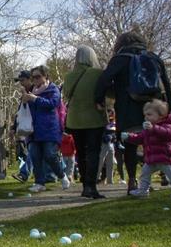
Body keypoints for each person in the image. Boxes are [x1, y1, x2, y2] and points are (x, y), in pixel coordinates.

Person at [94, 30, 171, 193]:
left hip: (127, 108)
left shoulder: (120, 59)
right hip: (153, 107)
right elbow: (166, 83)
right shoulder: (153, 58)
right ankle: (160, 175)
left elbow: (104, 79)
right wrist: (169, 106)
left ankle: (132, 180)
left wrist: (99, 99)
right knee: (155, 141)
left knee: (130, 144)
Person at [61, 45, 108, 198]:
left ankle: (84, 185)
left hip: (75, 120)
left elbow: (66, 94)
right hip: (94, 118)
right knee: (93, 152)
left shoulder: (69, 76)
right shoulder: (98, 73)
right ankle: (91, 186)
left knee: (80, 153)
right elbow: (109, 92)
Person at [22, 65, 70, 193]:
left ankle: (62, 175)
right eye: (33, 77)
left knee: (50, 155)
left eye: (38, 77)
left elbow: (52, 104)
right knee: (35, 156)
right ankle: (39, 182)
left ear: (45, 76)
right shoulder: (30, 91)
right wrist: (25, 101)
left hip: (50, 129)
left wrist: (35, 99)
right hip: (33, 130)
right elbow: (23, 111)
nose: (35, 80)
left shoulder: (53, 89)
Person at [122, 100, 171, 198]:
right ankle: (143, 190)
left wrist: (153, 128)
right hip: (151, 158)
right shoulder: (147, 129)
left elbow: (168, 134)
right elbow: (140, 138)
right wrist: (129, 137)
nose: (146, 117)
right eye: (145, 115)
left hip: (165, 158)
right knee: (144, 174)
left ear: (161, 115)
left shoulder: (168, 126)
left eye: (149, 114)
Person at [11, 70, 34, 183]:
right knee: (33, 151)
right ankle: (24, 173)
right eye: (19, 81)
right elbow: (21, 113)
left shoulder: (35, 91)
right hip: (30, 129)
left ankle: (24, 173)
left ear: (30, 79)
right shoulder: (24, 94)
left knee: (36, 151)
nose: (21, 83)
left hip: (38, 127)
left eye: (23, 80)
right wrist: (13, 127)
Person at [97, 111, 118, 186]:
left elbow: (114, 132)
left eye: (112, 112)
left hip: (111, 144)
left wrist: (114, 137)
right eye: (109, 112)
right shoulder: (102, 121)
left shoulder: (114, 122)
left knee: (111, 163)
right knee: (100, 162)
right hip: (103, 143)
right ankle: (96, 178)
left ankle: (110, 180)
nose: (110, 114)